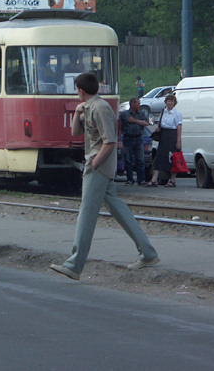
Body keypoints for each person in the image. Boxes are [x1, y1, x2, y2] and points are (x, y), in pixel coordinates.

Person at [50, 73, 159, 280]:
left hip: (98, 166)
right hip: (99, 165)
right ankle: (148, 253)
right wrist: (77, 112)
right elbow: (75, 133)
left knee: (86, 214)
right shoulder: (90, 107)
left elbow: (110, 142)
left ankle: (74, 264)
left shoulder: (100, 108)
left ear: (80, 90)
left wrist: (94, 163)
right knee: (118, 209)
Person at [147, 94, 182, 187]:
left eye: (172, 101)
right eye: (168, 101)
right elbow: (159, 122)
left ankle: (172, 180)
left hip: (172, 136)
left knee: (172, 158)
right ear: (166, 102)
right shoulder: (163, 112)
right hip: (164, 135)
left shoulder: (177, 113)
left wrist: (178, 141)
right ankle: (154, 179)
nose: (170, 103)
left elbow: (179, 127)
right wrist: (158, 127)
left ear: (174, 103)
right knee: (159, 157)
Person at [119, 98, 149, 186]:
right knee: (128, 160)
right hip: (128, 138)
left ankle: (141, 179)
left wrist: (135, 121)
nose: (139, 105)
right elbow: (120, 126)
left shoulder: (141, 114)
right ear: (132, 104)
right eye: (138, 104)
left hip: (139, 138)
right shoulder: (125, 114)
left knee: (140, 160)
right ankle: (130, 179)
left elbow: (146, 123)